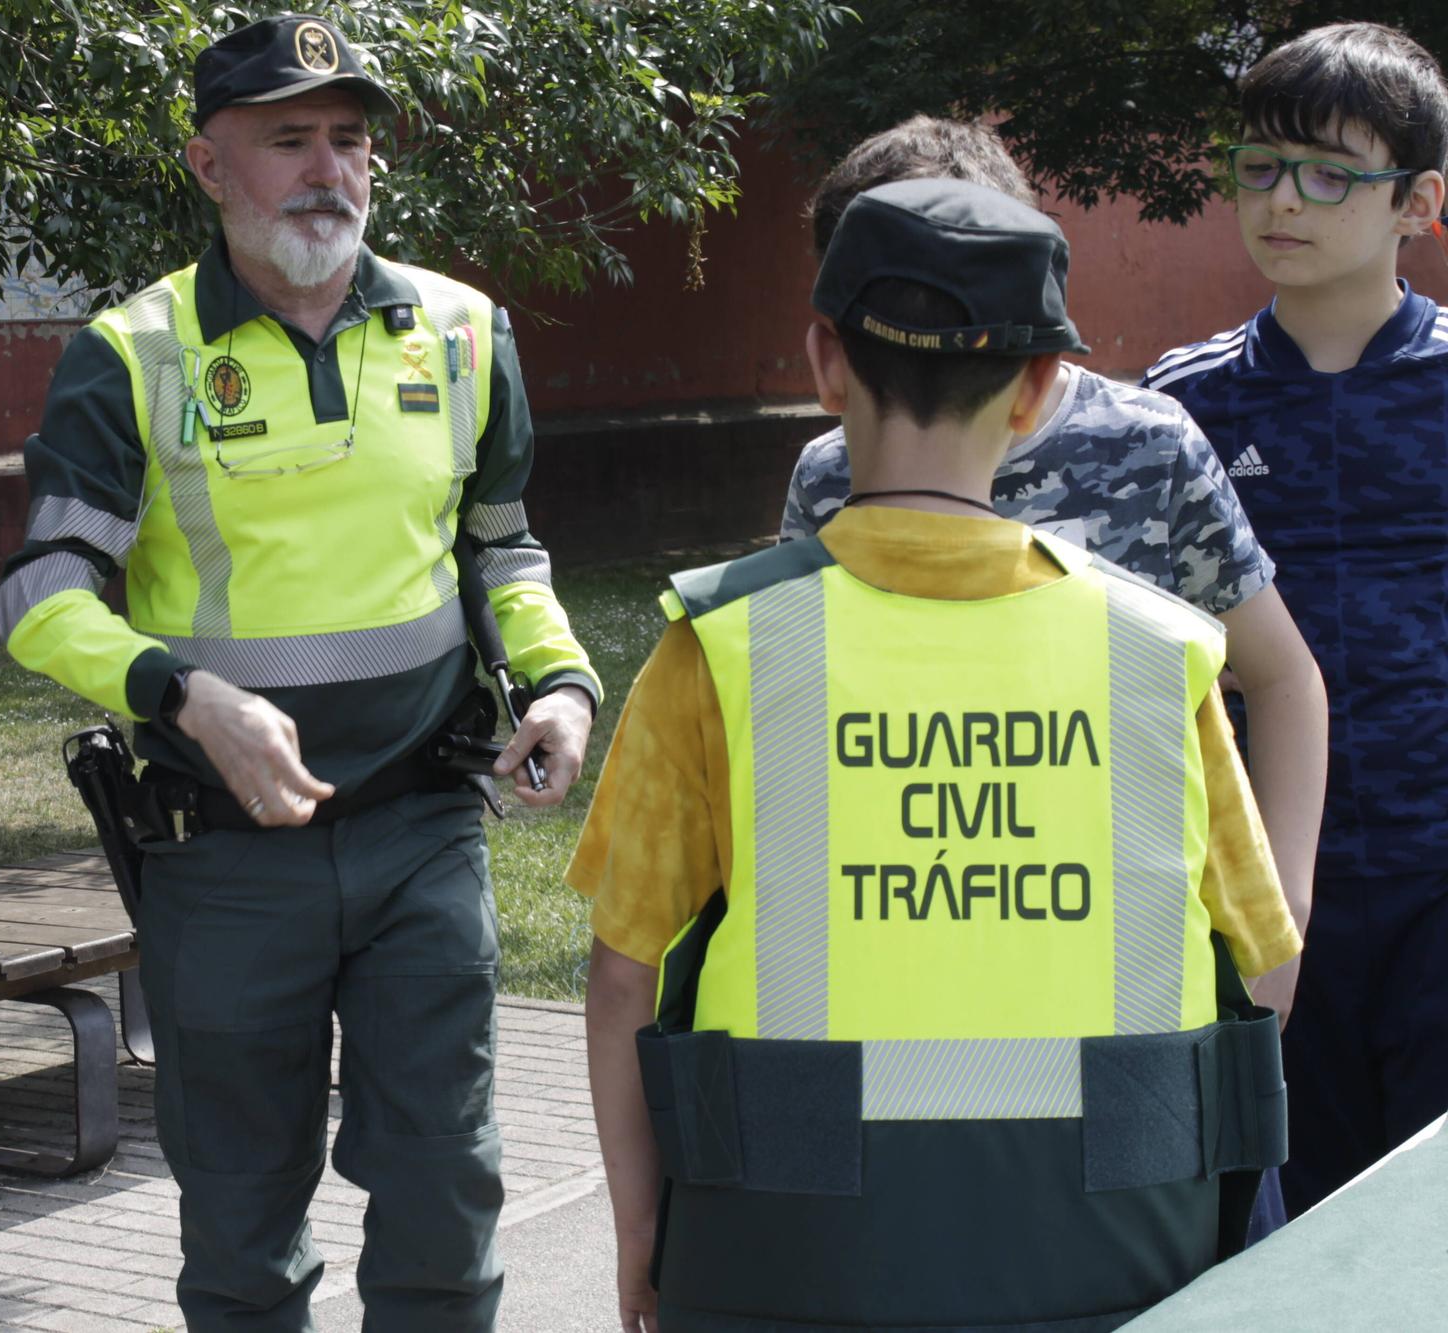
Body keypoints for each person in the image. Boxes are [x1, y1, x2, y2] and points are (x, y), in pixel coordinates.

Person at [571, 179, 1302, 1332]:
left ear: (823, 361)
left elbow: (621, 981)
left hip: (785, 1265)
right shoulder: (1159, 654)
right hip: (1117, 1265)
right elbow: (1261, 968)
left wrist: (642, 1239)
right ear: (1037, 388)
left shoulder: (721, 647)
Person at [0, 15, 599, 1329]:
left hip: (424, 830)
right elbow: (38, 596)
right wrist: (183, 695)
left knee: (446, 1177)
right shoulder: (131, 354)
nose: (330, 170)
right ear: (212, 167)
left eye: (350, 140)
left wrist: (559, 685)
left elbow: (505, 551)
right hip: (222, 854)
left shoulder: (464, 333)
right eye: (289, 141)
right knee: (242, 1210)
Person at [783, 118, 1324, 1031]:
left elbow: (1281, 675)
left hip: (1133, 961)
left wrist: (1280, 919)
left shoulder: (1148, 445)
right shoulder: (827, 473)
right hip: (919, 949)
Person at [1141, 21, 1448, 1219]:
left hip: (1436, 880)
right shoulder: (1179, 407)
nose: (1282, 200)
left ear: (1416, 202)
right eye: (1258, 167)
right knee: (1291, 1224)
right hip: (1256, 888)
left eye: (1328, 174)